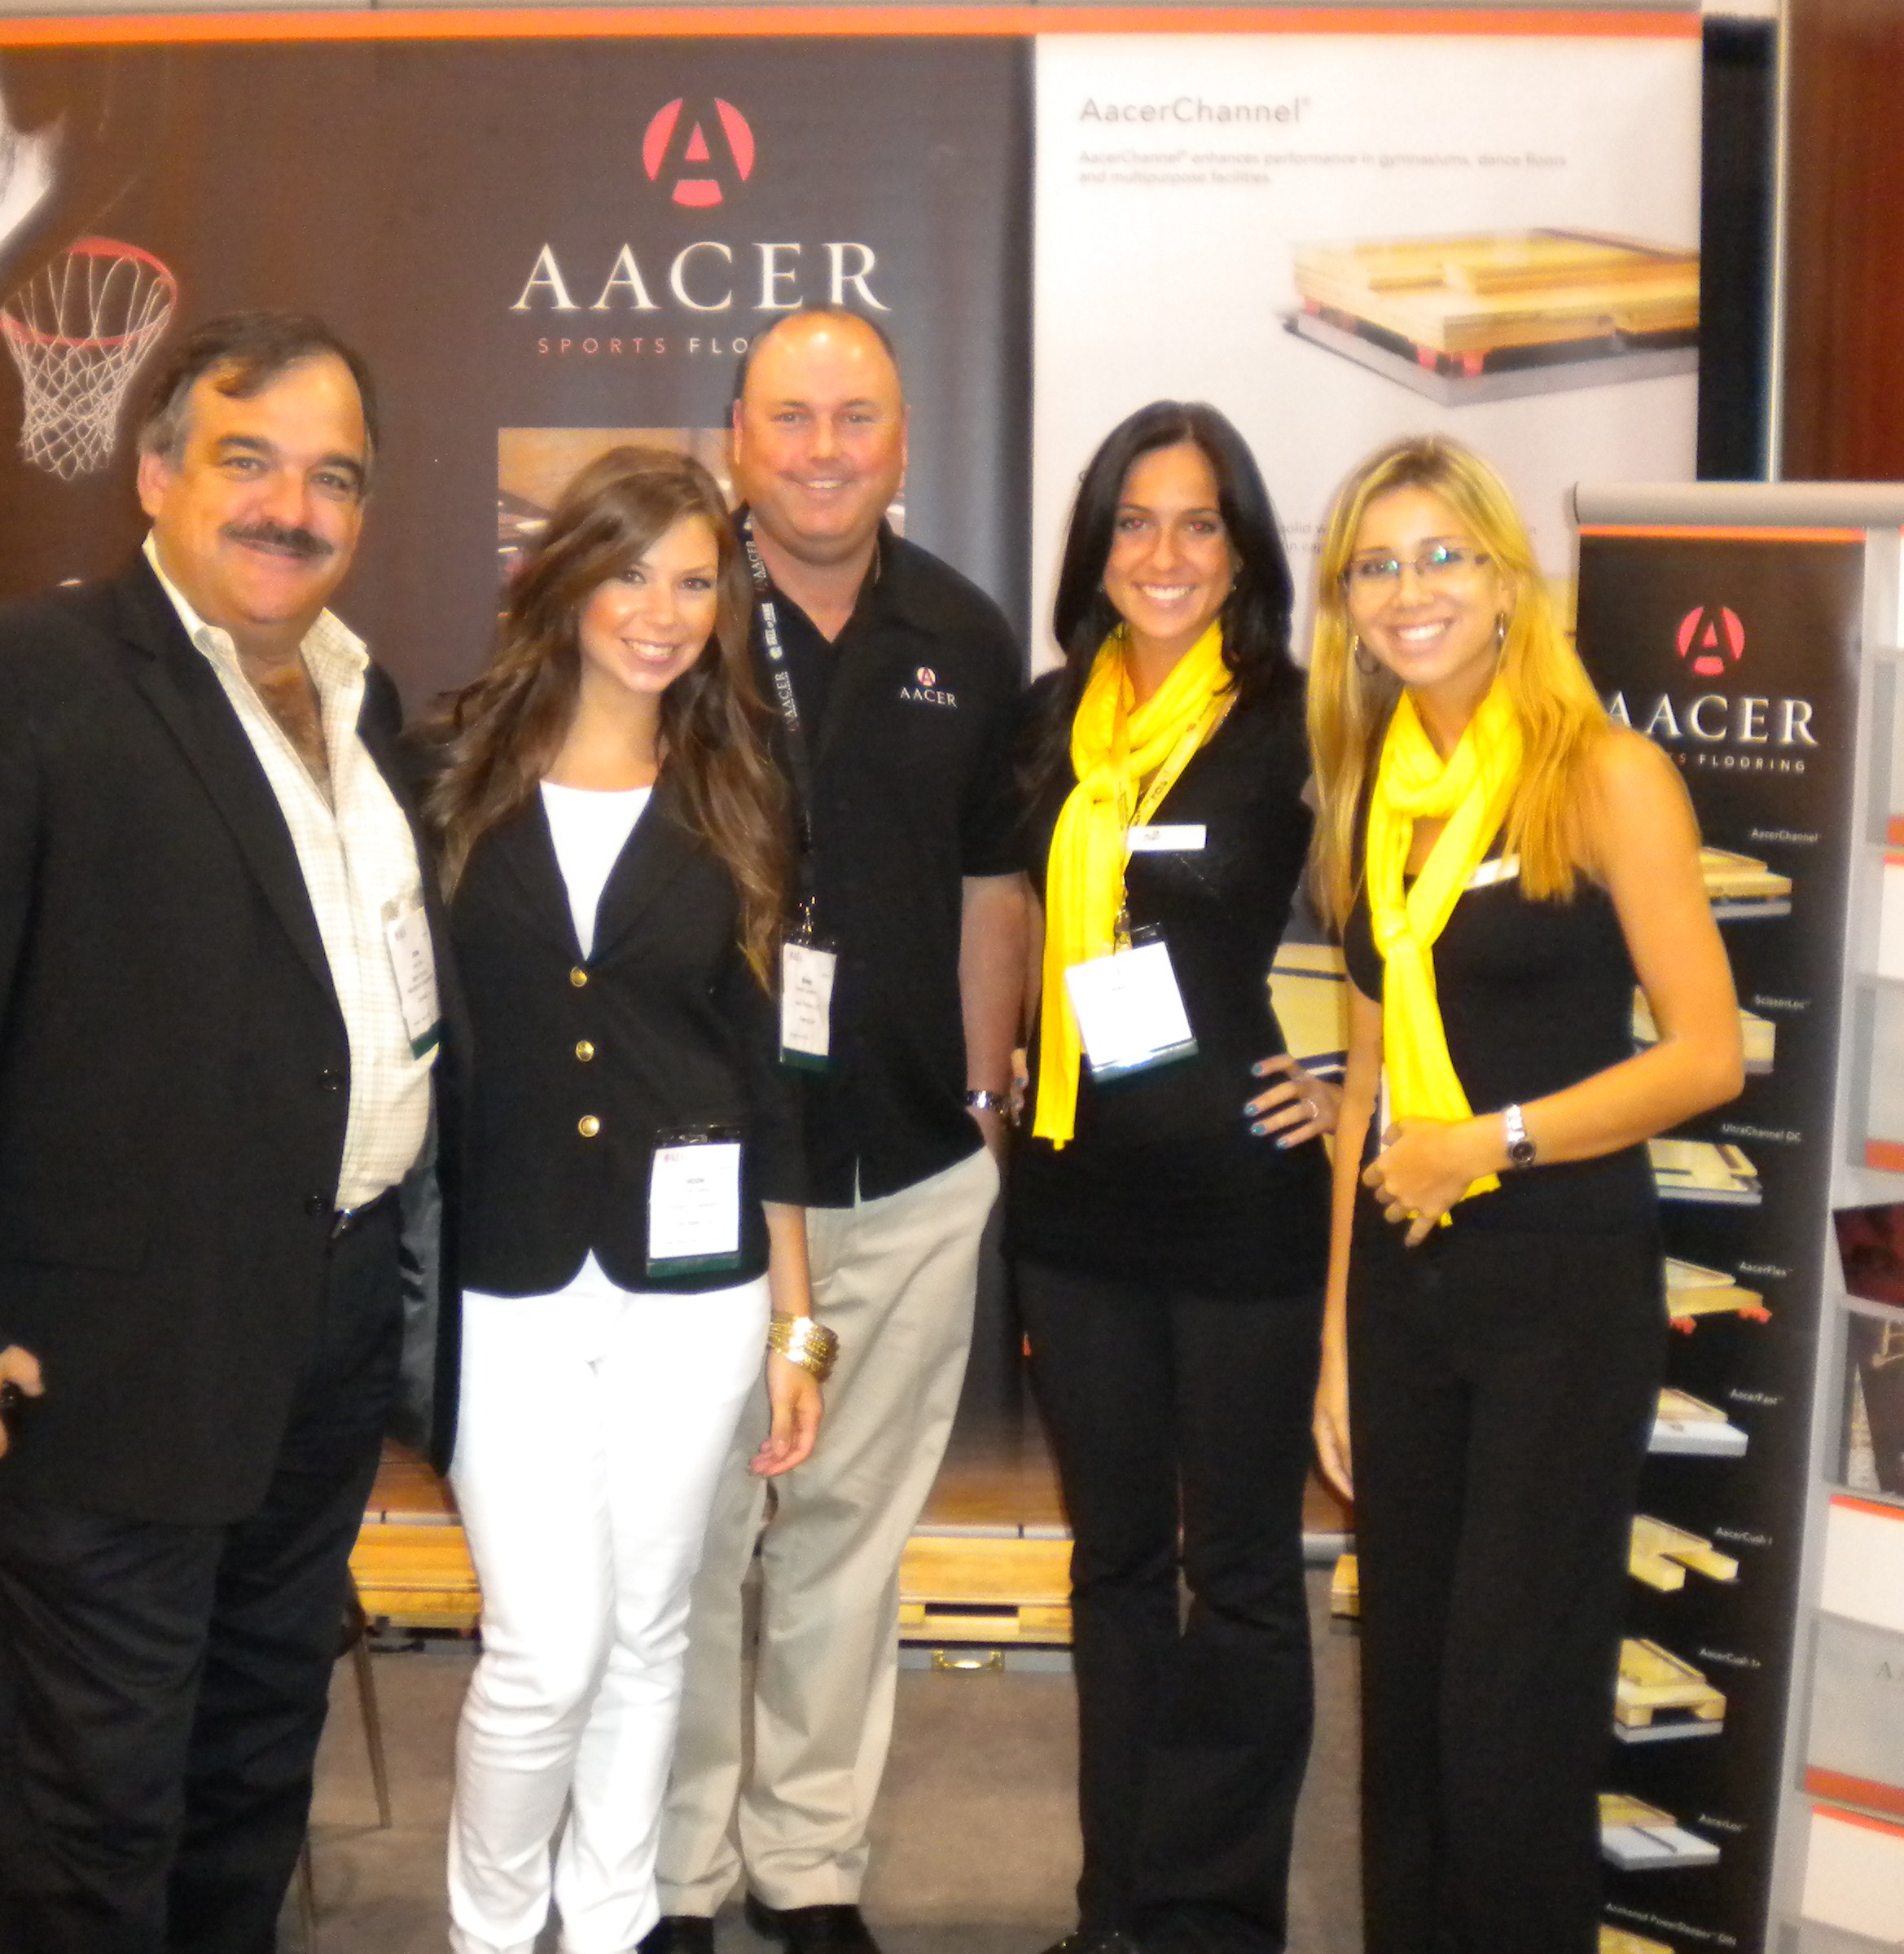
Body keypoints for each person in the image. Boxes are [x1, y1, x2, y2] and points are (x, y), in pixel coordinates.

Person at [0, 310, 457, 1953]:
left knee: (253, 1761)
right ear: (156, 474)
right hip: (105, 1361)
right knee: (93, 1801)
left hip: (320, 1331)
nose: (290, 508)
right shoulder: (19, 679)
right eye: (248, 461)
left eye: (332, 478)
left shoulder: (366, 705)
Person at [1305, 435, 1743, 1954]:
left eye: (1443, 556)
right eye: (1375, 565)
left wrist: (1490, 1140)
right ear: (1344, 603)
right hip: (1404, 1289)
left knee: (1510, 1715)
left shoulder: (1602, 774)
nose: (1408, 590)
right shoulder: (1373, 792)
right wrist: (1338, 1342)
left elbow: (1704, 1057)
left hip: (1559, 1285)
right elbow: (1367, 1087)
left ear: (1506, 581)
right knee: (1408, 1705)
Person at [649, 310, 1031, 1954]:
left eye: (855, 417)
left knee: (847, 1548)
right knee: (691, 1542)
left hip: (910, 1172)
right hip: (701, 1185)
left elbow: (994, 883)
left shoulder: (963, 631)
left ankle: (807, 1866)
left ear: (903, 437)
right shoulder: (668, 613)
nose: (823, 449)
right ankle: (673, 1876)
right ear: (736, 436)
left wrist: (986, 1097)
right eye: (791, 417)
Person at [423, 446, 825, 1954]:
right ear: (564, 578)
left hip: (698, 1291)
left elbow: (769, 1073)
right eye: (630, 572)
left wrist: (796, 1326)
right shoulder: (445, 773)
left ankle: (606, 1929)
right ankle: (488, 1934)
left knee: (653, 1633)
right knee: (545, 1650)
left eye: (694, 582)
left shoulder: (742, 792)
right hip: (502, 1274)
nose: (660, 612)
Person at [1007, 402, 1336, 1954]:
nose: (1164, 553)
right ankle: (1116, 1909)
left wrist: (1348, 1088)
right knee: (1116, 1566)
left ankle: (1213, 1919)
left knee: (1245, 1573)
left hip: (1237, 1198)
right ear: (1095, 548)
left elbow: (1410, 940)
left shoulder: (1299, 721)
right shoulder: (1047, 721)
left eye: (1198, 522)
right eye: (1134, 522)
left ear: (1243, 550)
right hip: (1074, 1203)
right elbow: (1004, 915)